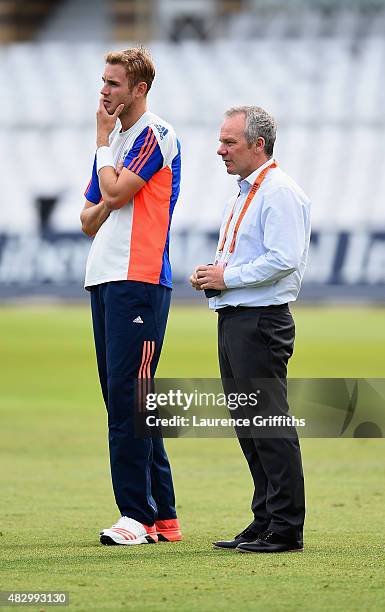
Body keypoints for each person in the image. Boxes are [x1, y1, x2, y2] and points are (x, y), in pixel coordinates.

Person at [190, 106, 311, 553]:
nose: (220, 149)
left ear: (258, 144)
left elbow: (284, 258)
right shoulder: (245, 192)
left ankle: (286, 527)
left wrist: (229, 278)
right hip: (237, 318)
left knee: (269, 423)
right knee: (249, 424)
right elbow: (251, 256)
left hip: (261, 321)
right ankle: (265, 519)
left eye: (229, 142)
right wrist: (214, 271)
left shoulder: (278, 192)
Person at [80, 47, 182, 546]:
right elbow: (86, 217)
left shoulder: (154, 134)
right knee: (130, 399)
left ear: (139, 89)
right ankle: (163, 516)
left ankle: (134, 517)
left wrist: (105, 156)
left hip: (138, 279)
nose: (104, 91)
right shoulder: (117, 142)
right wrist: (110, 186)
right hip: (103, 277)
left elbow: (114, 196)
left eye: (114, 84)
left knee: (129, 399)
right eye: (103, 82)